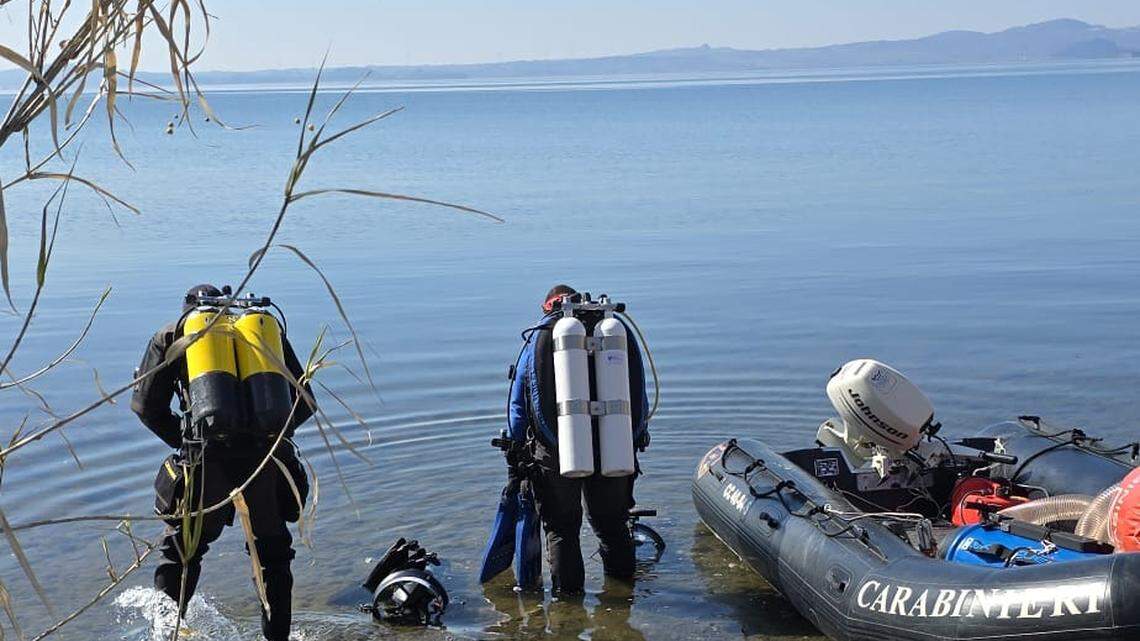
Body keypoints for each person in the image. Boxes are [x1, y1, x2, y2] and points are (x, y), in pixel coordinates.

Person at [130, 284, 313, 641]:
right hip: (264, 461)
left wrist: (187, 442)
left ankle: (164, 635)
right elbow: (303, 401)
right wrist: (270, 434)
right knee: (273, 556)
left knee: (182, 553)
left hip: (206, 462)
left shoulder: (174, 335)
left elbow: (146, 408)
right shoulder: (262, 330)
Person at [502, 284, 651, 595]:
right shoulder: (614, 336)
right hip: (615, 445)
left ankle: (568, 606)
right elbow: (638, 399)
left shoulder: (540, 340)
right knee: (612, 526)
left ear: (546, 308)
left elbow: (518, 406)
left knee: (562, 530)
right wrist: (629, 441)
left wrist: (517, 453)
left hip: (556, 452)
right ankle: (623, 598)